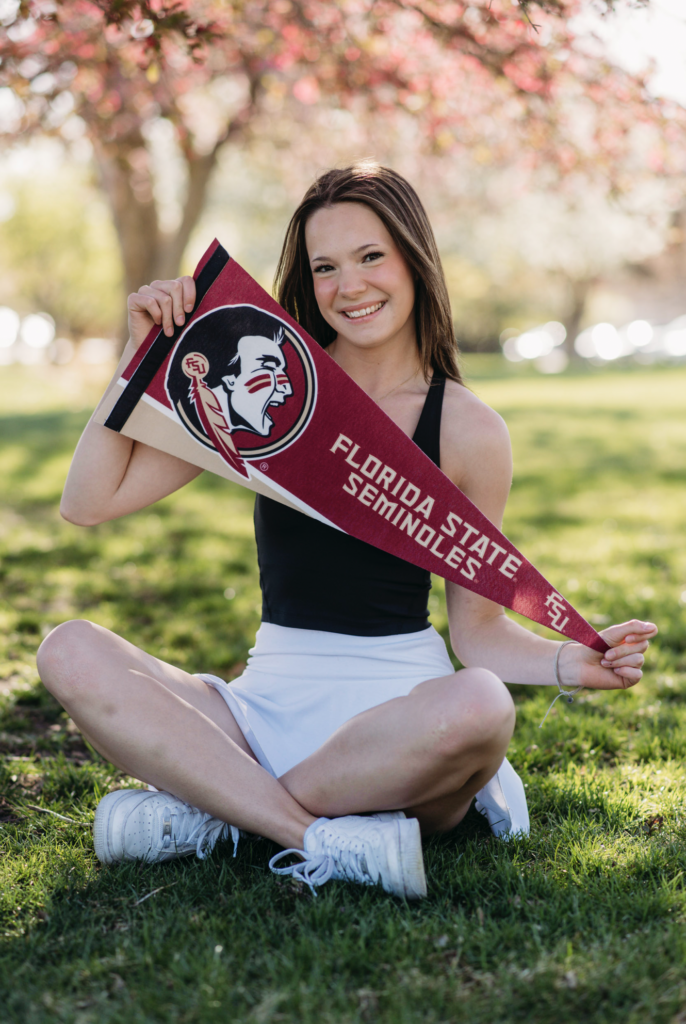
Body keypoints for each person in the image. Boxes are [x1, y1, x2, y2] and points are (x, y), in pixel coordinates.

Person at [36, 163, 657, 900]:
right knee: (70, 649)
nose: (349, 286)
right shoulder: (269, 380)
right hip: (260, 709)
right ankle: (307, 833)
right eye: (324, 267)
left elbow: (477, 635)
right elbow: (89, 500)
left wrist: (569, 664)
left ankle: (217, 809)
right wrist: (140, 361)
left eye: (371, 257)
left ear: (413, 260)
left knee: (483, 703)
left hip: (398, 725)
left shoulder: (466, 430)